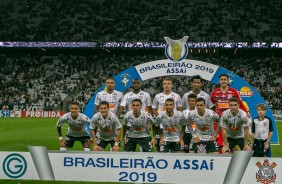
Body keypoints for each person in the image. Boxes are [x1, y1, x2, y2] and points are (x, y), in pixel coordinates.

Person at [210, 74, 248, 152]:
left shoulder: (234, 91)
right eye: (221, 79)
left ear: (228, 81)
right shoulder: (214, 92)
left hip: (231, 122)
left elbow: (240, 104)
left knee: (230, 144)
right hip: (218, 122)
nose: (223, 81)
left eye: (225, 79)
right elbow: (213, 105)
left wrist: (247, 115)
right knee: (219, 145)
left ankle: (234, 156)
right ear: (219, 81)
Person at [152, 77, 183, 151]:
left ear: (172, 85)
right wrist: (160, 118)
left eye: (169, 84)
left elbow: (180, 108)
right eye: (165, 84)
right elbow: (154, 108)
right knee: (161, 145)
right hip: (161, 125)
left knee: (175, 146)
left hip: (173, 125)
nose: (167, 85)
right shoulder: (157, 96)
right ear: (162, 85)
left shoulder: (176, 96)